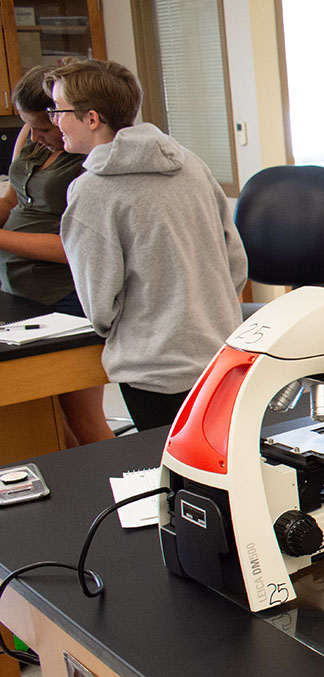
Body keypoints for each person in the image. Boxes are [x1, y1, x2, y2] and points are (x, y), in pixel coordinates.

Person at [48, 60, 247, 431]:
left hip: (154, 369)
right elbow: (235, 260)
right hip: (219, 357)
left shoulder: (92, 191)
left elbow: (99, 304)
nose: (55, 121)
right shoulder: (190, 164)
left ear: (92, 118)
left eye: (58, 110)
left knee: (169, 476)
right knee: (220, 467)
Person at [0, 65, 112, 446]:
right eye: (30, 127)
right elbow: (14, 198)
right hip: (20, 292)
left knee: (82, 420)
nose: (37, 136)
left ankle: (128, 496)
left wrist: (1, 239)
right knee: (41, 419)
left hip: (63, 296)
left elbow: (75, 249)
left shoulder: (88, 161)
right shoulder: (33, 140)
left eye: (46, 127)